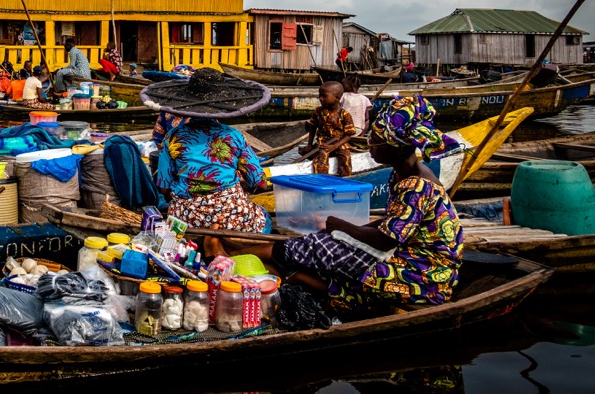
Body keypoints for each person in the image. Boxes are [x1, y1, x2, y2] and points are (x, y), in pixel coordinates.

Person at [231, 102, 464, 317]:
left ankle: (230, 258)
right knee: (328, 241)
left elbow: (385, 240)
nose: (369, 144)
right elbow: (391, 225)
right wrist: (342, 231)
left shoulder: (417, 185)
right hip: (409, 260)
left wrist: (342, 226)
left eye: (375, 139)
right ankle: (262, 261)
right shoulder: (403, 174)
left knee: (319, 248)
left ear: (395, 147)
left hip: (424, 276)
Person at [144, 68, 273, 234]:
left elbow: (163, 187)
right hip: (228, 216)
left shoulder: (173, 136)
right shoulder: (234, 137)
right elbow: (260, 184)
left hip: (184, 218)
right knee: (265, 218)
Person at [300, 80, 357, 177]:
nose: (320, 98)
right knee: (321, 156)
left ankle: (346, 178)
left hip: (339, 142)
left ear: (337, 98)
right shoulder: (318, 112)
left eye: (324, 96)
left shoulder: (344, 114)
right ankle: (322, 179)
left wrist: (335, 146)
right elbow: (313, 127)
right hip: (323, 142)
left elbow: (349, 135)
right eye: (319, 96)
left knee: (345, 156)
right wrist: (309, 143)